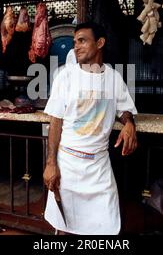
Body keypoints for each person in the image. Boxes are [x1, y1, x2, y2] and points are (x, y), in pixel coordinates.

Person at [43, 21, 138, 235]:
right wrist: (50, 164)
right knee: (65, 227)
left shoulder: (114, 78)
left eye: (82, 40)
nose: (76, 46)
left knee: (106, 225)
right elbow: (55, 122)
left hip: (98, 167)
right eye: (75, 41)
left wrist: (129, 123)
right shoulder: (65, 77)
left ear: (100, 43)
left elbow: (124, 109)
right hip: (67, 165)